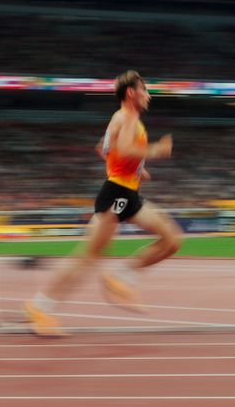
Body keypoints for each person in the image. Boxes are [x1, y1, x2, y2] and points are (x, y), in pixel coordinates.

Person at [25, 70, 181, 337]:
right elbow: (125, 150)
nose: (148, 95)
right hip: (117, 194)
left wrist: (136, 168)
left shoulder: (121, 118)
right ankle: (40, 307)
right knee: (88, 256)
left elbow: (104, 148)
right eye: (144, 90)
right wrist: (157, 150)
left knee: (172, 239)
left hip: (127, 194)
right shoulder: (127, 117)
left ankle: (120, 277)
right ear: (131, 93)